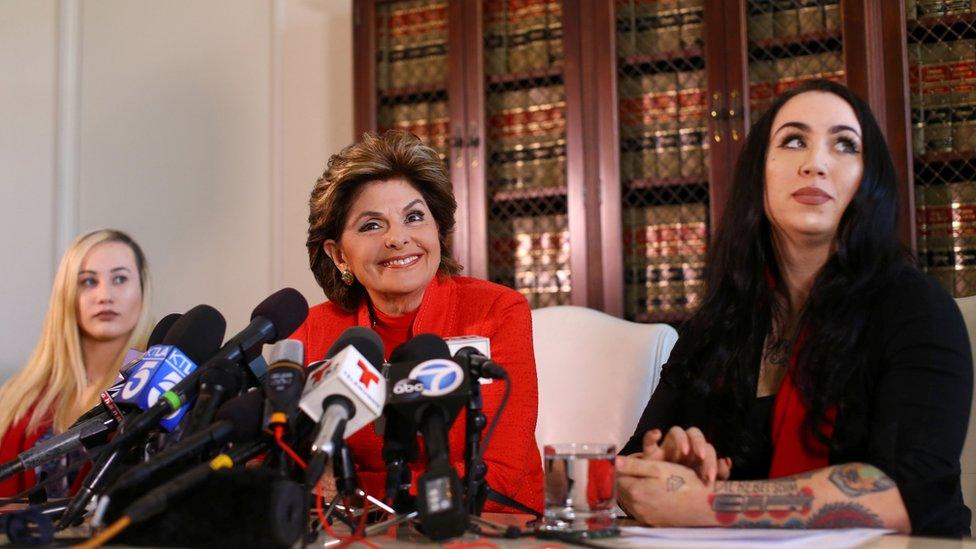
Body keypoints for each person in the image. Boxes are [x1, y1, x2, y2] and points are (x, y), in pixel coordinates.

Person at [616, 80, 972, 536]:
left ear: (871, 179)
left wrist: (706, 502)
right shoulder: (715, 326)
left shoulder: (917, 309)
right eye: (794, 141)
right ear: (758, 174)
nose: (816, 164)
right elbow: (626, 466)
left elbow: (907, 493)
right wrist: (661, 469)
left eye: (845, 145)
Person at [290, 130, 544, 513]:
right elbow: (280, 464)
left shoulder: (497, 311)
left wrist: (357, 488)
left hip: (491, 525)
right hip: (358, 536)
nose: (398, 238)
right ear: (339, 254)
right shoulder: (312, 329)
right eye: (371, 225)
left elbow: (500, 468)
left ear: (437, 230)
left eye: (414, 217)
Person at [0, 229, 153, 496]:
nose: (105, 295)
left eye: (119, 279)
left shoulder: (157, 386)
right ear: (67, 295)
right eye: (88, 282)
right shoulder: (17, 396)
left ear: (142, 289)